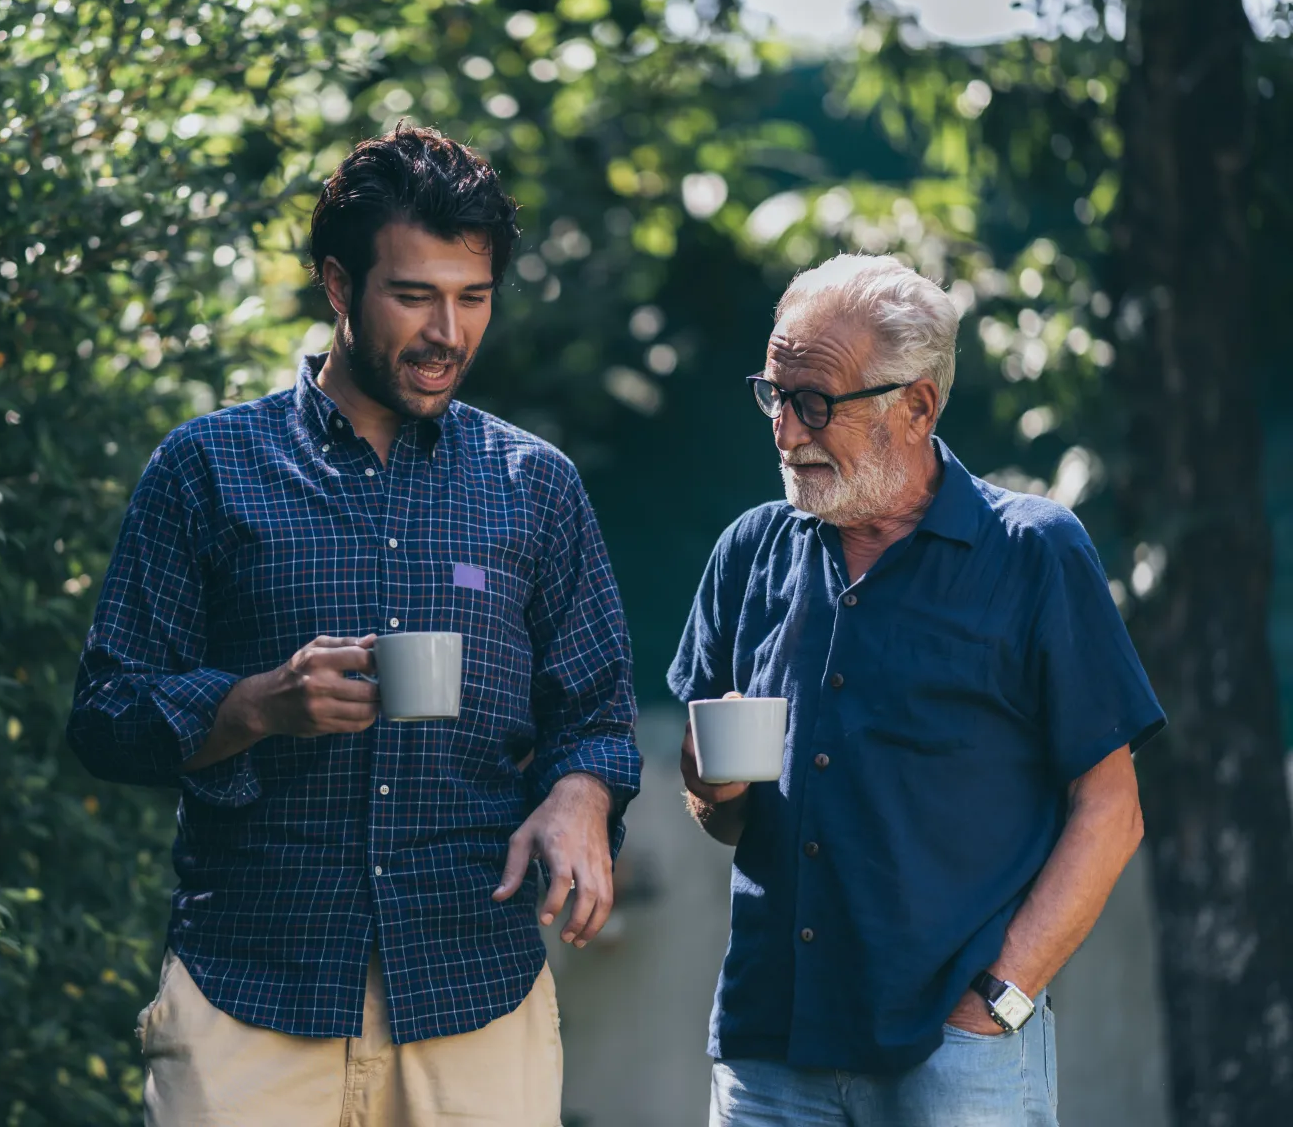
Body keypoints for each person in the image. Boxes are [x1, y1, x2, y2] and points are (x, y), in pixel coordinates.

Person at [67, 125, 640, 1126]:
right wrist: (255, 706)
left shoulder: (534, 488)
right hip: (251, 989)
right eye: (414, 295)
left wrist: (582, 797)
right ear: (338, 287)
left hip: (473, 986)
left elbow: (594, 709)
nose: (447, 332)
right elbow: (105, 715)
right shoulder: (206, 469)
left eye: (473, 297)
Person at [669, 254, 1164, 1127]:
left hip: (955, 1053)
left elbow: (1111, 808)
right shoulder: (749, 552)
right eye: (773, 395)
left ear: (918, 405)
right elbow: (721, 812)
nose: (785, 431)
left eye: (815, 402)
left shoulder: (1034, 553)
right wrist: (712, 789)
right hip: (769, 1043)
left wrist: (999, 1007)